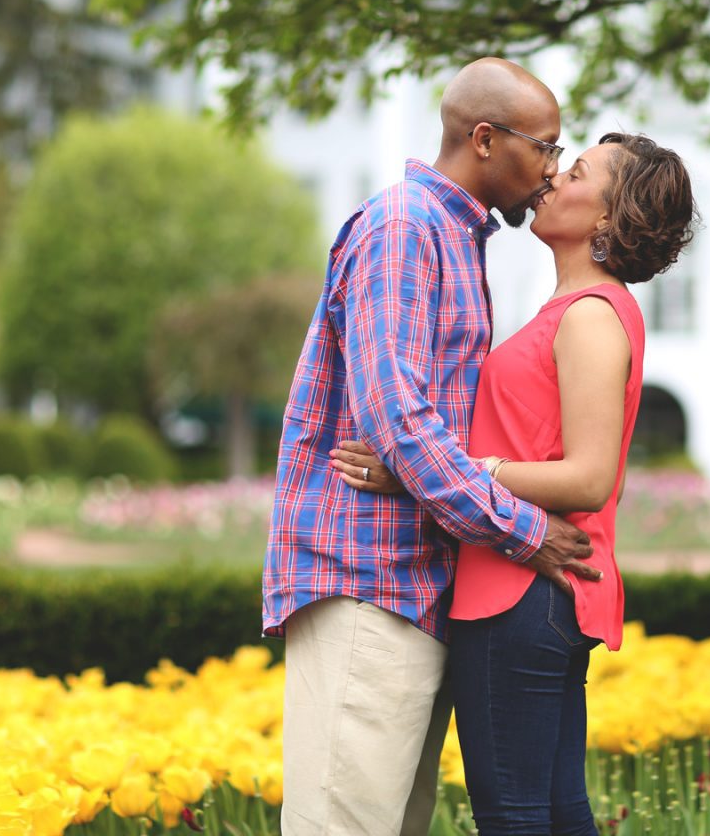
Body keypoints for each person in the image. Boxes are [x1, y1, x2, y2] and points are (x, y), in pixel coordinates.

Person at [263, 57, 603, 836]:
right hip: (365, 582)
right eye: (544, 148)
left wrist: (431, 474)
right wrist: (526, 532)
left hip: (411, 586)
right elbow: (402, 421)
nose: (551, 170)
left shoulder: (453, 234)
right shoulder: (405, 227)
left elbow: (421, 434)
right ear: (485, 139)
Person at [331, 132, 697, 834]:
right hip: (532, 595)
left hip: (518, 594)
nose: (554, 176)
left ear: (608, 218)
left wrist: (442, 473)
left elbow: (593, 479)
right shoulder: (576, 310)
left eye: (578, 171)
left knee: (514, 816)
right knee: (555, 812)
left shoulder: (590, 316)